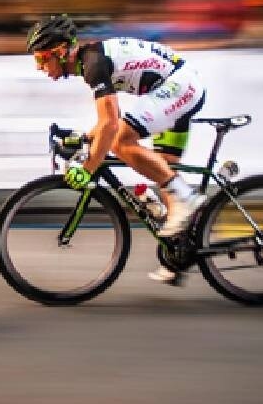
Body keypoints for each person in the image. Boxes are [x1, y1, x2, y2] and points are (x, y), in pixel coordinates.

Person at [26, 14, 207, 284]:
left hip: (179, 87)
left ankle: (188, 198)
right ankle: (180, 255)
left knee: (121, 141)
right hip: (176, 86)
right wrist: (84, 139)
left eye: (42, 59)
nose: (40, 68)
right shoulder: (91, 60)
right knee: (162, 169)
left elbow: (110, 125)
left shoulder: (93, 64)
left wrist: (87, 170)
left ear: (61, 52)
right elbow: (105, 123)